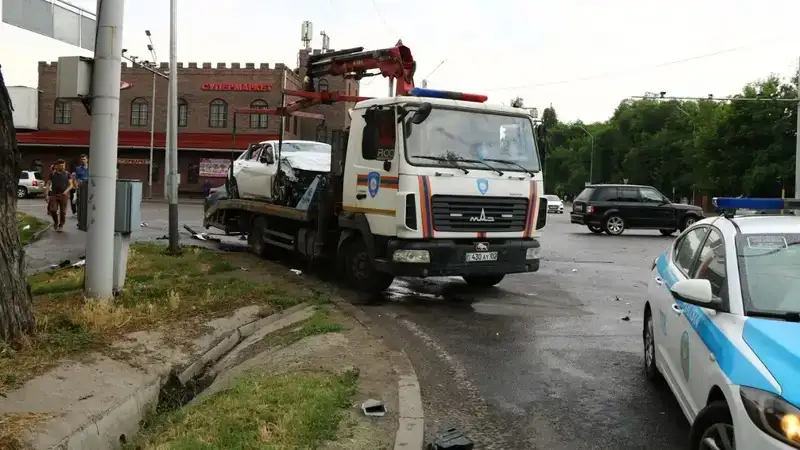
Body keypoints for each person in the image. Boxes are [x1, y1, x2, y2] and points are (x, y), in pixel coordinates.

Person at [45, 159, 72, 232]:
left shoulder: (67, 174)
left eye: (64, 165)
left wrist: (66, 191)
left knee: (63, 212)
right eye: (61, 165)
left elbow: (71, 185)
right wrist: (46, 194)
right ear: (56, 166)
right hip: (54, 194)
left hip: (64, 195)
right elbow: (48, 184)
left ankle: (61, 225)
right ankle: (56, 222)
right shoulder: (52, 174)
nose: (63, 167)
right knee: (53, 210)